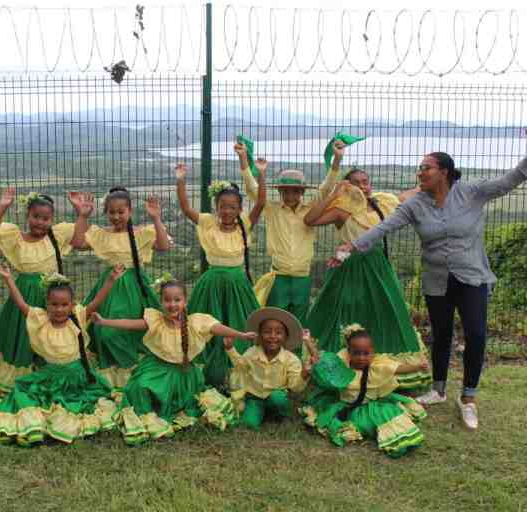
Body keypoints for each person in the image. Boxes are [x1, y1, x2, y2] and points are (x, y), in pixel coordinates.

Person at [336, 151, 527, 430]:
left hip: (472, 277)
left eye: (426, 168)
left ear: (444, 172)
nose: (420, 172)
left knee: (475, 334)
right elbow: (385, 227)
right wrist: (352, 246)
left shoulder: (471, 192)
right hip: (436, 280)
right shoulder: (416, 204)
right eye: (420, 168)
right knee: (441, 334)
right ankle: (438, 389)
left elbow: (510, 180)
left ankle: (468, 397)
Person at [303, 142, 430, 391]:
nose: (363, 186)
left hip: (377, 265)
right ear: (348, 187)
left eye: (366, 182)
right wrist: (335, 193)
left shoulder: (381, 203)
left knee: (384, 308)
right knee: (347, 308)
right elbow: (311, 219)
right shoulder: (342, 211)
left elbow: (407, 195)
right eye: (357, 183)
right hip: (349, 266)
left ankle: (382, 365)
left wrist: (425, 183)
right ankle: (342, 363)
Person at [91, 280, 256, 445]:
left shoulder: (195, 322)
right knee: (139, 387)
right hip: (157, 368)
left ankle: (173, 405)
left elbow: (217, 328)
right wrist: (104, 321)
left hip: (183, 373)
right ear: (161, 302)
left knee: (186, 398)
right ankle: (149, 411)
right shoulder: (156, 321)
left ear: (185, 302)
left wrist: (241, 335)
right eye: (167, 300)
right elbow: (132, 324)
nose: (172, 304)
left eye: (177, 300)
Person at [0, 265, 123, 446]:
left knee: (80, 402)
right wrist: (8, 279)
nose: (59, 309)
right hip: (49, 376)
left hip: (75, 377)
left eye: (64, 305)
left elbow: (96, 301)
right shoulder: (40, 319)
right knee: (26, 394)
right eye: (54, 304)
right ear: (46, 304)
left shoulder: (77, 318)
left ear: (72, 305)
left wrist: (111, 280)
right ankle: (36, 423)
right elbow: (21, 304)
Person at [0, 188, 94, 393]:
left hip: (51, 297)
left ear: (52, 219)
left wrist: (82, 214)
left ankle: (49, 372)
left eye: (45, 218)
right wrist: (3, 205)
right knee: (23, 334)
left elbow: (79, 241)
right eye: (35, 217)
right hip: (23, 295)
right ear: (28, 216)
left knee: (49, 334)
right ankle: (22, 375)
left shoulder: (56, 236)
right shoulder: (16, 237)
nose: (40, 222)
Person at [176, 162, 266, 389]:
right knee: (208, 323)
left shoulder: (244, 224)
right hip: (211, 284)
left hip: (237, 285)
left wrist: (261, 174)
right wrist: (181, 179)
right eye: (222, 206)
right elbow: (186, 208)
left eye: (232, 207)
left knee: (240, 322)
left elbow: (261, 203)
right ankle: (207, 368)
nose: (227, 211)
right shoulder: (208, 223)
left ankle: (239, 367)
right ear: (216, 207)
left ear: (239, 209)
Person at [71, 187, 171, 388]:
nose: (116, 216)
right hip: (110, 286)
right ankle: (114, 374)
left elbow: (163, 246)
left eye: (121, 212)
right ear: (106, 213)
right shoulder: (102, 235)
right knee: (105, 332)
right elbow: (78, 243)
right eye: (111, 212)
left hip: (134, 287)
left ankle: (132, 372)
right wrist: (83, 216)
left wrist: (156, 218)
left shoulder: (140, 233)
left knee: (136, 330)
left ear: (130, 211)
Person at [300, 324, 429, 458]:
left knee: (388, 412)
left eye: (366, 353)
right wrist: (307, 340)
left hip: (371, 404)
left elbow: (397, 368)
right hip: (350, 406)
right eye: (356, 353)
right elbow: (321, 359)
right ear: (349, 352)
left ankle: (400, 437)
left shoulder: (376, 366)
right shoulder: (341, 364)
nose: (361, 358)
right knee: (363, 422)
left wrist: (418, 366)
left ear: (372, 352)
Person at [236, 143, 318, 327]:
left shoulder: (310, 210)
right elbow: (253, 188)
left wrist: (336, 161)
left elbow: (327, 189)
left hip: (303, 275)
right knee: (276, 319)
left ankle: (297, 346)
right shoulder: (272, 209)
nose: (290, 195)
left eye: (295, 191)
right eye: (285, 191)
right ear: (280, 191)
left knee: (299, 321)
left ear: (302, 191)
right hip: (279, 275)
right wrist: (245, 160)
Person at [224, 307, 318, 430]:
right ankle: (258, 412)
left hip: (276, 396)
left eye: (278, 333)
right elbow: (240, 365)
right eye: (267, 332)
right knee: (249, 424)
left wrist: (304, 373)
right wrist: (230, 348)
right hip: (255, 397)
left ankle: (282, 414)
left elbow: (295, 387)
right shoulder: (252, 353)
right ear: (259, 336)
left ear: (286, 337)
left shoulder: (291, 359)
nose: (273, 336)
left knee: (277, 398)